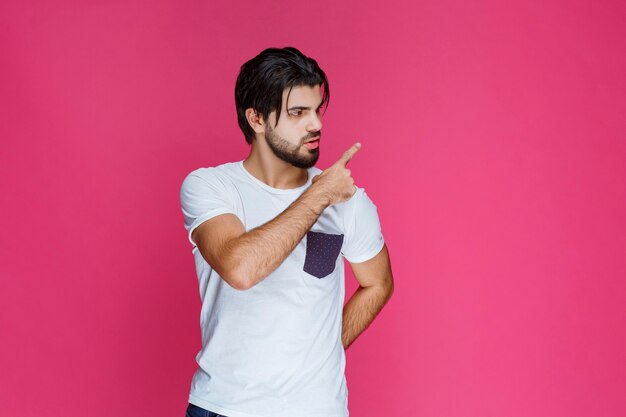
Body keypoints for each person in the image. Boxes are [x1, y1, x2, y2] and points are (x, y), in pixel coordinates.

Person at [179, 46, 394, 417]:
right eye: (298, 113)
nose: (316, 125)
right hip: (224, 407)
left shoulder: (349, 200)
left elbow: (378, 283)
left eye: (317, 110)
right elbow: (240, 269)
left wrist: (324, 347)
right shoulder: (211, 187)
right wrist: (320, 195)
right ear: (257, 119)